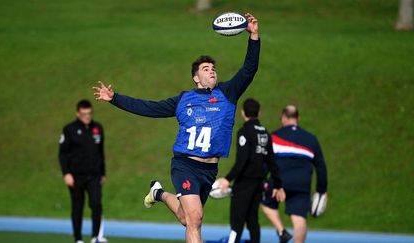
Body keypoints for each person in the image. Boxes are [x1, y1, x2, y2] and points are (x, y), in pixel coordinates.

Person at [93, 13, 283, 243]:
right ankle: (162, 194)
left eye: (213, 67)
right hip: (185, 165)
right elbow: (149, 107)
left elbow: (249, 69)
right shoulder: (184, 100)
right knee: (195, 219)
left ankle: (159, 193)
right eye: (205, 68)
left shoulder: (228, 93)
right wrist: (115, 99)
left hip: (209, 170)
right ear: (196, 77)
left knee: (186, 218)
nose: (211, 70)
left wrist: (253, 36)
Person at [215, 98, 285, 243]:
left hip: (244, 183)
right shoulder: (265, 133)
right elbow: (271, 161)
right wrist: (278, 185)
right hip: (259, 183)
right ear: (259, 112)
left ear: (242, 113)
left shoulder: (244, 132)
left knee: (237, 220)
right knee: (252, 219)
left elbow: (242, 161)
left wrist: (227, 179)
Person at [261, 105, 328, 243]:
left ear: (284, 118)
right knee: (299, 222)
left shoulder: (274, 137)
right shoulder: (311, 139)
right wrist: (322, 190)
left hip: (279, 183)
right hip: (302, 184)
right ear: (298, 118)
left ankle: (281, 231)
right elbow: (321, 166)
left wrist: (262, 181)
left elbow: (266, 163)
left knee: (265, 202)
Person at [58, 100, 107, 243]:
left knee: (96, 204)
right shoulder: (69, 130)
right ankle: (78, 239)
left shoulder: (98, 128)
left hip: (94, 176)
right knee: (77, 207)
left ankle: (96, 237)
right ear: (78, 113)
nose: (87, 116)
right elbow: (62, 154)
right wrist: (66, 173)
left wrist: (103, 173)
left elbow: (100, 152)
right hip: (75, 176)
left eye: (89, 113)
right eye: (84, 114)